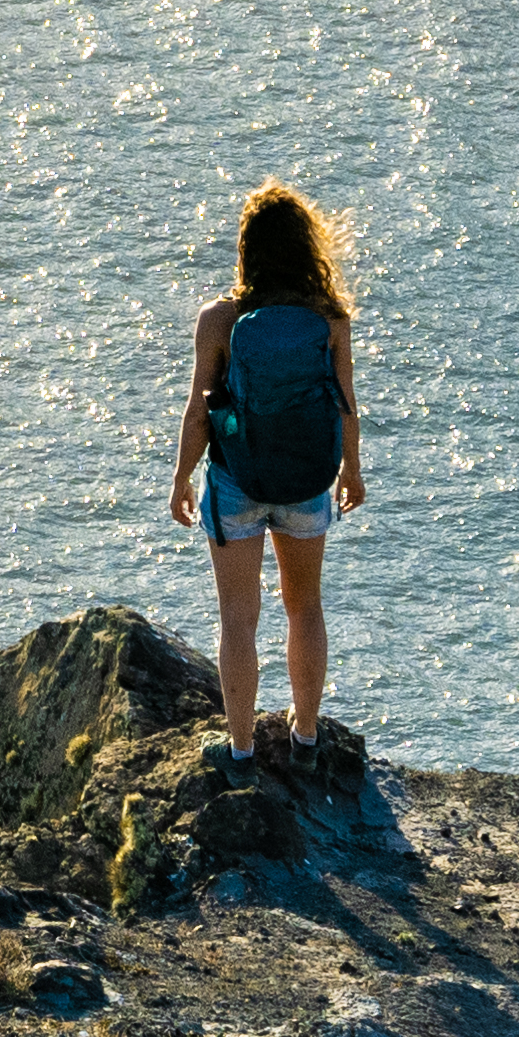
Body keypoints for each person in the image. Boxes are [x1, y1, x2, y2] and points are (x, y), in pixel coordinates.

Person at [166, 188, 367, 748]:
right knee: (304, 608)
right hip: (307, 482)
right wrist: (351, 471)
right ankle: (305, 737)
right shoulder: (329, 319)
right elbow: (346, 402)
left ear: (247, 250)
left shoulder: (220, 319)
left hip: (237, 482)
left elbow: (199, 412)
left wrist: (182, 477)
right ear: (309, 249)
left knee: (237, 617)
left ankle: (241, 748)